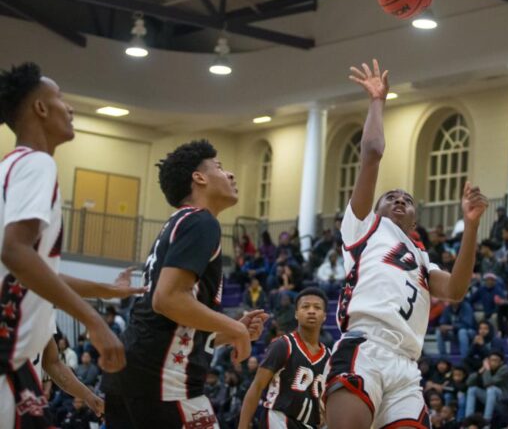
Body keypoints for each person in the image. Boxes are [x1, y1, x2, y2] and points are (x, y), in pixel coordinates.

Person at [324, 60, 488, 429]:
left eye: (407, 199)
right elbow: (372, 154)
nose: (399, 200)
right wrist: (377, 101)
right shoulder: (364, 228)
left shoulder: (422, 259)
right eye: (391, 197)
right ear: (376, 209)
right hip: (365, 347)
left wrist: (472, 226)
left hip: (405, 365)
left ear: (415, 218)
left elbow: (458, 289)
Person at [0, 63, 147, 427]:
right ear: (40, 108)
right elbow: (14, 251)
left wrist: (105, 289)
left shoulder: (9, 167)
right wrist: (93, 319)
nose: (70, 108)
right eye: (61, 99)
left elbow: (34, 272)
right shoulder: (37, 164)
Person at [104, 140, 268, 428]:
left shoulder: (178, 223)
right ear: (199, 177)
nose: (229, 174)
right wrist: (235, 328)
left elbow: (170, 319)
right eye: (219, 167)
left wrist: (225, 332)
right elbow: (167, 300)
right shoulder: (201, 221)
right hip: (163, 381)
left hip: (135, 373)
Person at [239, 288, 331, 429]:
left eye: (317, 307)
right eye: (305, 306)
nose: (311, 311)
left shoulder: (329, 356)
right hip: (279, 420)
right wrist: (242, 426)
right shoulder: (283, 345)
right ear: (296, 314)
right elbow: (257, 387)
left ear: (324, 316)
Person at [465, 350, 508, 423]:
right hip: (491, 400)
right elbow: (468, 383)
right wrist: (480, 372)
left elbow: (488, 383)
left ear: (501, 362)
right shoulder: (486, 368)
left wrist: (487, 369)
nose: (493, 363)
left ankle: (486, 421)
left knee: (491, 389)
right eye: (491, 360)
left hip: (504, 401)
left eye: (495, 360)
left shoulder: (505, 369)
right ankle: (468, 420)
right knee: (472, 389)